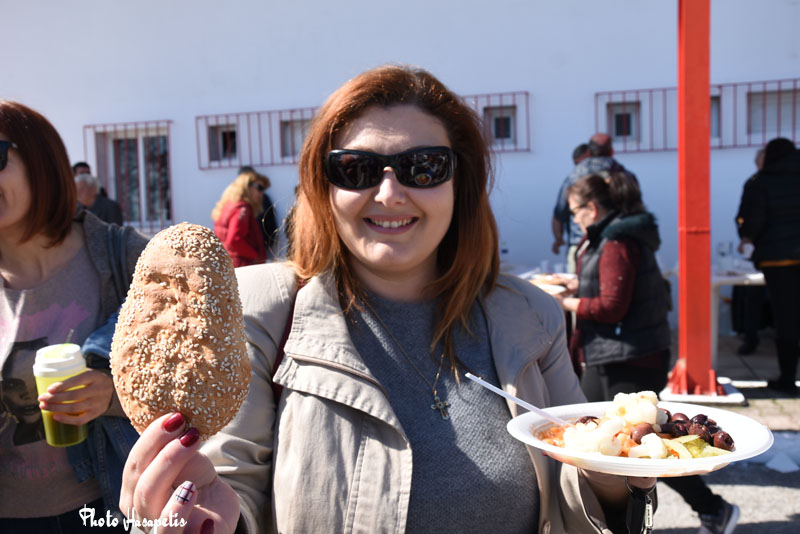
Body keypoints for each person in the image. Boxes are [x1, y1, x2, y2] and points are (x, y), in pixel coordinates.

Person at [119, 65, 657, 534]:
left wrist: (615, 480)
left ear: (460, 183)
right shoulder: (262, 310)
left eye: (425, 167)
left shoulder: (530, 317)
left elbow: (574, 494)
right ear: (323, 186)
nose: (390, 193)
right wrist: (204, 515)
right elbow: (233, 488)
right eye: (355, 169)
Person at [555, 173, 739, 534]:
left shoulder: (616, 241)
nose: (574, 219)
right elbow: (611, 285)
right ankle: (621, 520)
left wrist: (564, 302)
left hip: (628, 357)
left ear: (592, 208)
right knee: (608, 442)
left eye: (575, 211)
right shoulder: (612, 236)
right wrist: (576, 284)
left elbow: (612, 305)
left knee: (639, 445)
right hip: (619, 352)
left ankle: (710, 509)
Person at [0, 101, 149, 531]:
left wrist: (112, 395)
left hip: (111, 506)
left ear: (40, 161)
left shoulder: (125, 259)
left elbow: (194, 375)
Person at [736, 137, 800, 394]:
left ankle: (787, 379)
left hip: (779, 260)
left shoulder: (760, 182)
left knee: (787, 319)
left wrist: (747, 237)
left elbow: (751, 221)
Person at [552, 134, 637, 273]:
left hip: (582, 244)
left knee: (578, 285)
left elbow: (559, 213)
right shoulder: (625, 175)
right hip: (620, 244)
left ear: (589, 152)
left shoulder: (574, 176)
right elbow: (636, 212)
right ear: (611, 151)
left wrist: (558, 239)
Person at [733, 147, 769, 355]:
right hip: (759, 251)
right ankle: (751, 338)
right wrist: (745, 236)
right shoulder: (753, 183)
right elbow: (742, 215)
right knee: (752, 295)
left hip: (780, 251)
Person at [211, 170, 269, 267]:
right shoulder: (243, 208)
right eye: (259, 188)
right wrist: (256, 257)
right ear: (246, 187)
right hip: (242, 264)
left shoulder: (229, 205)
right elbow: (234, 240)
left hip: (230, 262)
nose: (262, 193)